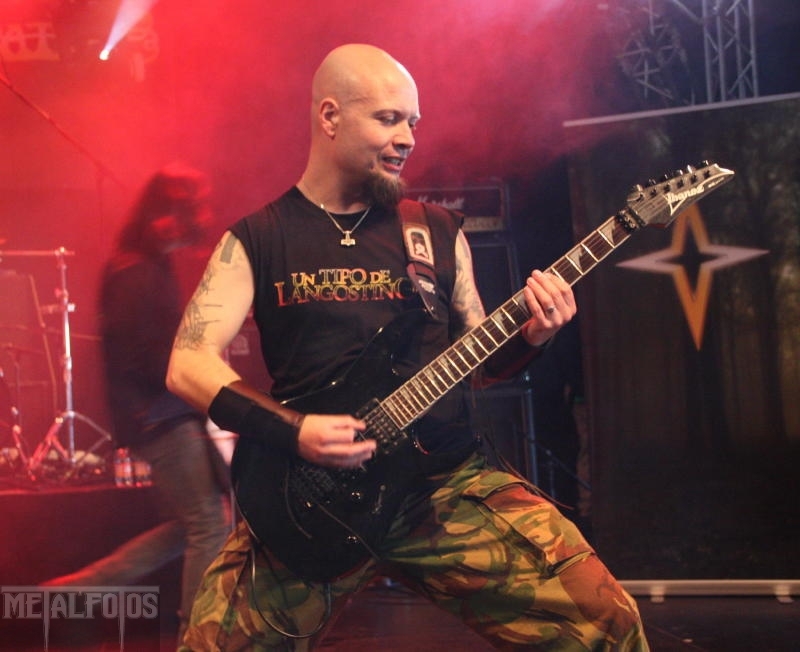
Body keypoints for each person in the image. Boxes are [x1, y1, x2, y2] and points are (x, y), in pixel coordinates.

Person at [166, 44, 649, 651]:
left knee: (605, 621)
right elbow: (188, 363)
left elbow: (478, 363)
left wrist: (535, 334)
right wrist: (295, 430)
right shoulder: (259, 238)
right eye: (388, 119)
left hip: (443, 487)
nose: (408, 139)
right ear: (330, 116)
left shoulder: (436, 231)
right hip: (310, 500)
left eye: (413, 123)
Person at [43, 164, 231, 647]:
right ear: (163, 215)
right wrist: (194, 369)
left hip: (165, 414)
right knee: (208, 522)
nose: (198, 220)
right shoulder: (133, 272)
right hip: (159, 417)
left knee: (190, 524)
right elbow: (140, 360)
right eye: (190, 210)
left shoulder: (150, 265)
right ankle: (197, 636)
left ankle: (80, 591)